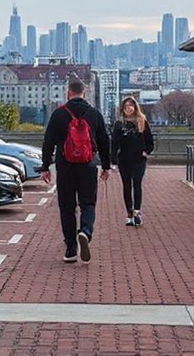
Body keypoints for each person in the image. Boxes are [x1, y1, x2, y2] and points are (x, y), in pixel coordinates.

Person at [40, 79, 112, 263]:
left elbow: (48, 141)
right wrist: (105, 165)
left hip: (65, 166)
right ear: (84, 92)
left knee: (67, 207)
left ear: (68, 92)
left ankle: (71, 249)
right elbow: (104, 141)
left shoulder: (59, 114)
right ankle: (86, 232)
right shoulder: (94, 114)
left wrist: (45, 166)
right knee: (88, 203)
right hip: (88, 165)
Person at [111, 96, 154, 227]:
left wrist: (146, 151)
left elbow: (149, 141)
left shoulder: (142, 121)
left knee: (137, 182)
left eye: (131, 105)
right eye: (126, 106)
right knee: (126, 185)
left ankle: (137, 212)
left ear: (135, 107)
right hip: (124, 159)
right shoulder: (119, 124)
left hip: (138, 159)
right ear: (123, 109)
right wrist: (113, 161)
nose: (129, 108)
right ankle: (129, 213)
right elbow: (114, 143)